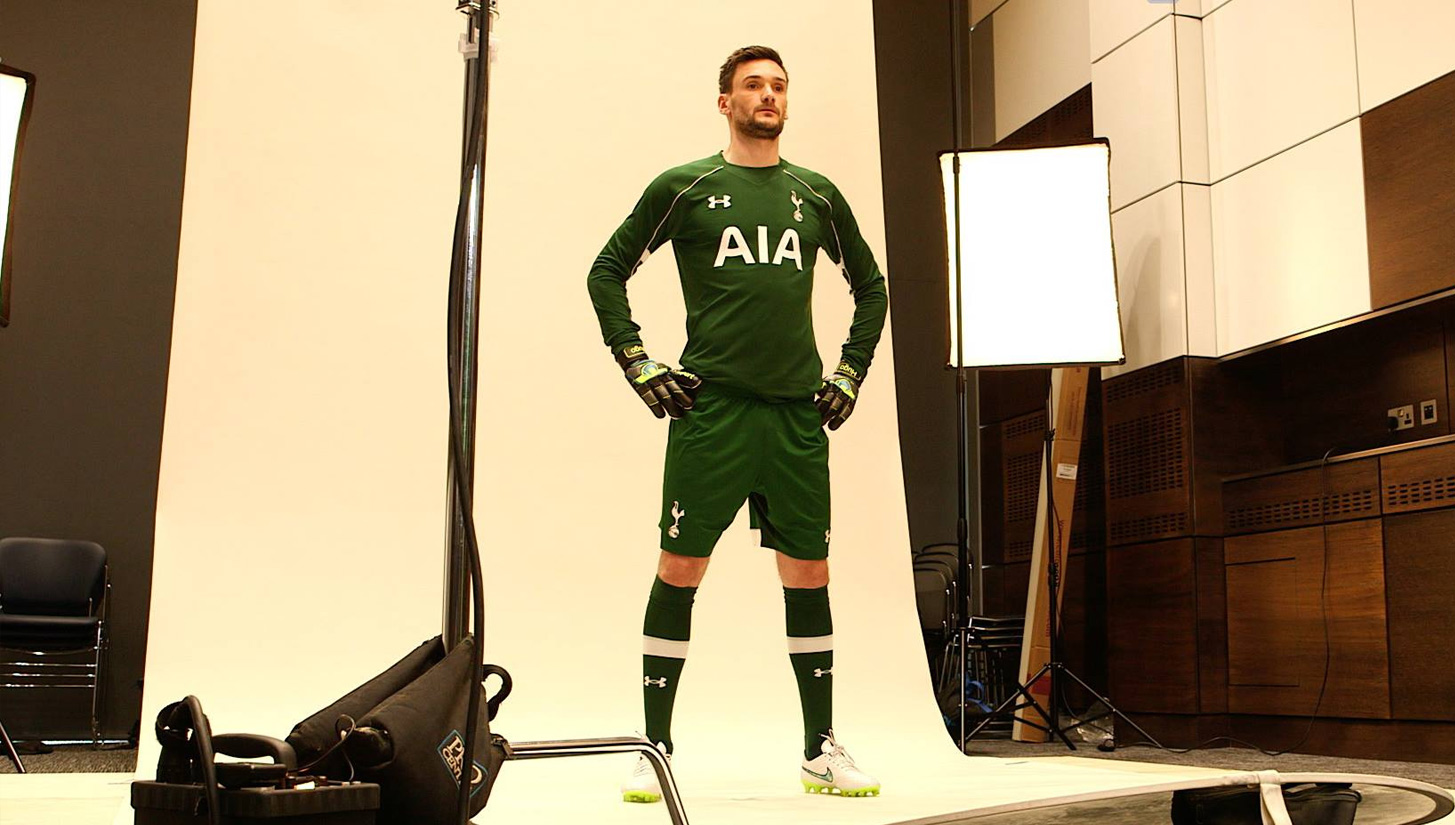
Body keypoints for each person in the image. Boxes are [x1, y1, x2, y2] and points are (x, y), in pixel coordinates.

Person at [586, 45, 889, 802]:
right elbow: (606, 269)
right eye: (753, 84)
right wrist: (638, 362)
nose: (768, 95)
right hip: (710, 410)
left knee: (809, 572)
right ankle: (653, 744)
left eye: (778, 86)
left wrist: (848, 372)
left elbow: (872, 287)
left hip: (793, 415)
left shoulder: (814, 194)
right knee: (680, 567)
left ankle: (818, 747)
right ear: (725, 101)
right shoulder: (686, 186)